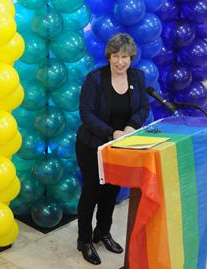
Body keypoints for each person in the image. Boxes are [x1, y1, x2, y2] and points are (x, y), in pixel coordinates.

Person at [75, 33, 150, 265]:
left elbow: (143, 108)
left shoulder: (137, 77)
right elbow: (86, 114)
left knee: (111, 192)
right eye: (116, 56)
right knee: (92, 193)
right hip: (92, 146)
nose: (120, 62)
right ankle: (85, 240)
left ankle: (103, 232)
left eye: (125, 57)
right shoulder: (95, 79)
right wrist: (112, 132)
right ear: (109, 56)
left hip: (119, 147)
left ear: (131, 57)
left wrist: (130, 126)